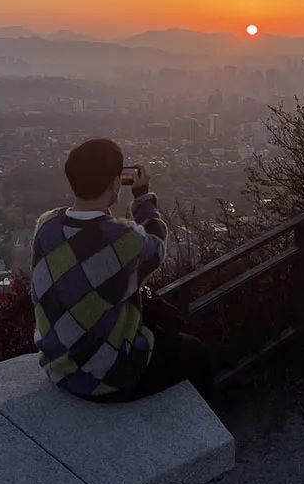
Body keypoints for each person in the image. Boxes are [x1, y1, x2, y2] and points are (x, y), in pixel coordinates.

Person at [30, 136, 215, 403]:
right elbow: (156, 246)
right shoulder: (119, 238)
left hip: (57, 366)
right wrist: (143, 198)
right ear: (117, 183)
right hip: (104, 379)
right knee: (196, 354)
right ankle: (205, 435)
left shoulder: (46, 226)